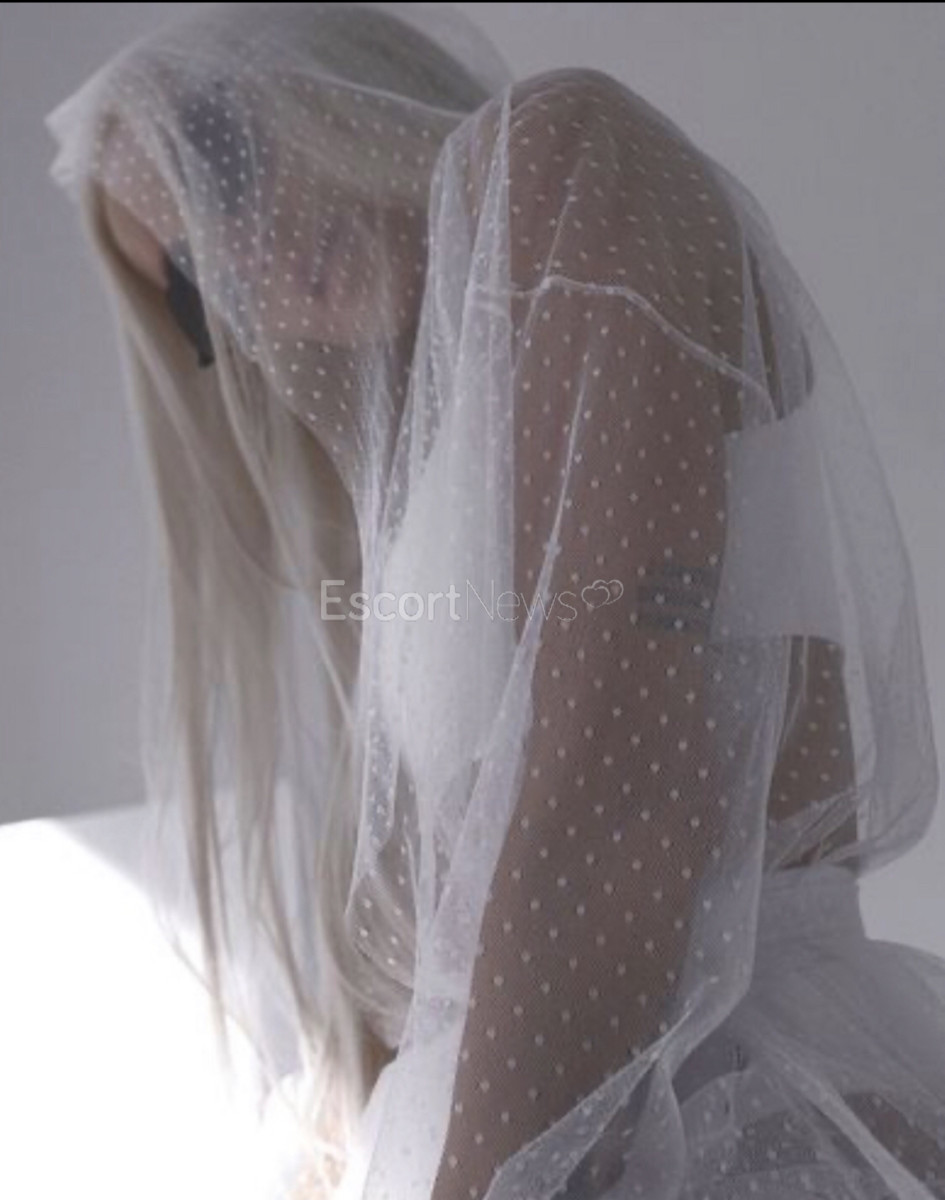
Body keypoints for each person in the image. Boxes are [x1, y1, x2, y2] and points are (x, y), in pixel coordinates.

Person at [45, 4, 945, 1199]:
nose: (246, 257)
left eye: (223, 160)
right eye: (195, 278)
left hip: (722, 1123)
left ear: (328, 78)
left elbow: (615, 810)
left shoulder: (566, 157)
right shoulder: (429, 497)